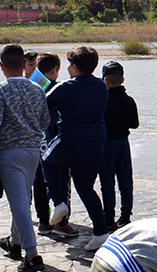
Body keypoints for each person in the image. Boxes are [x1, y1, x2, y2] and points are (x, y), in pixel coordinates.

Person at [0, 44, 51, 272]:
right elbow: (45, 122)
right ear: (23, 64)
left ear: (1, 66)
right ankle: (14, 242)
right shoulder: (38, 89)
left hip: (9, 152)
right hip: (32, 151)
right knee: (24, 198)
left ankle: (32, 255)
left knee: (19, 203)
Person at [42, 46, 111, 251]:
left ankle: (58, 202)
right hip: (96, 144)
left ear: (73, 67)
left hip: (70, 141)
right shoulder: (101, 86)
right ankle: (101, 232)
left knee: (47, 159)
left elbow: (43, 105)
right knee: (86, 188)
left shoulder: (66, 87)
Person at [31, 53, 75, 237]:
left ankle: (44, 221)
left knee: (39, 183)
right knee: (62, 181)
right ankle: (63, 223)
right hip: (57, 145)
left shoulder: (31, 89)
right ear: (55, 69)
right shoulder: (60, 89)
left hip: (36, 145)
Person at [99, 60, 139, 230]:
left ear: (105, 81)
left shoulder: (102, 101)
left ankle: (109, 219)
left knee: (107, 183)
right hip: (123, 143)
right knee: (126, 182)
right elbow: (135, 124)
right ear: (122, 79)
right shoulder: (129, 100)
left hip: (106, 144)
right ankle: (125, 217)